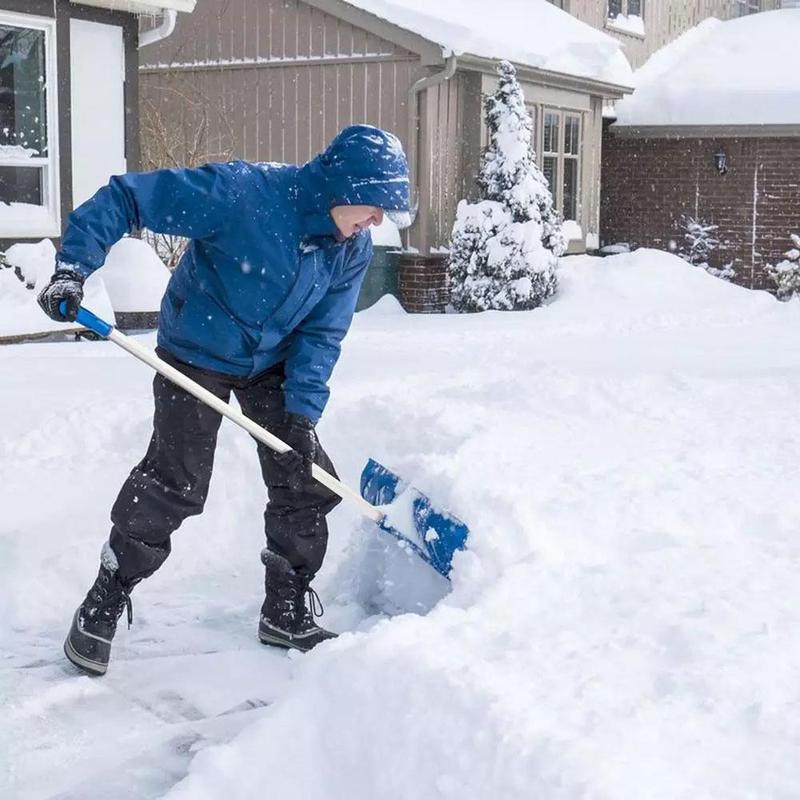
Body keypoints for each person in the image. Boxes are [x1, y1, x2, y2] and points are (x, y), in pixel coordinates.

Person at [37, 124, 412, 676]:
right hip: (198, 348)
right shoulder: (241, 193)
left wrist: (302, 417)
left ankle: (285, 609)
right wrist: (73, 269)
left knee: (304, 478)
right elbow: (126, 197)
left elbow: (322, 334)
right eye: (375, 204)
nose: (378, 221)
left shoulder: (349, 248)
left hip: (273, 360)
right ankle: (105, 597)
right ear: (342, 185)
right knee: (175, 481)